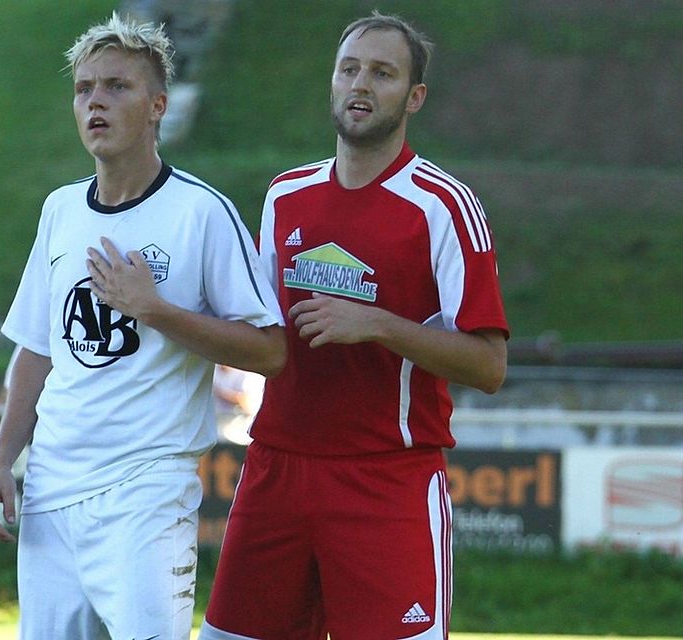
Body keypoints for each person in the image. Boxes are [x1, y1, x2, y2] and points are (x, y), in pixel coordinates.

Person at [0, 12, 285, 640]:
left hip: (145, 493)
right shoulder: (60, 210)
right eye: (84, 88)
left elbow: (271, 352)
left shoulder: (201, 212)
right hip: (52, 493)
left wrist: (157, 310)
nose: (95, 101)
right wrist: (3, 458)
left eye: (116, 86)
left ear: (157, 106)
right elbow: (37, 350)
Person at [200, 12, 509, 640]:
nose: (361, 85)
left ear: (414, 97)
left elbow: (489, 366)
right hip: (276, 471)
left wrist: (379, 324)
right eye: (349, 69)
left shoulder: (444, 207)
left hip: (385, 482)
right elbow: (264, 340)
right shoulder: (286, 195)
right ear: (332, 82)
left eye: (382, 73)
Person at [211, 364, 264, 445]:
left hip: (238, 427)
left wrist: (221, 393)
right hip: (216, 424)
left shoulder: (245, 373)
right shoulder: (213, 370)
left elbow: (245, 402)